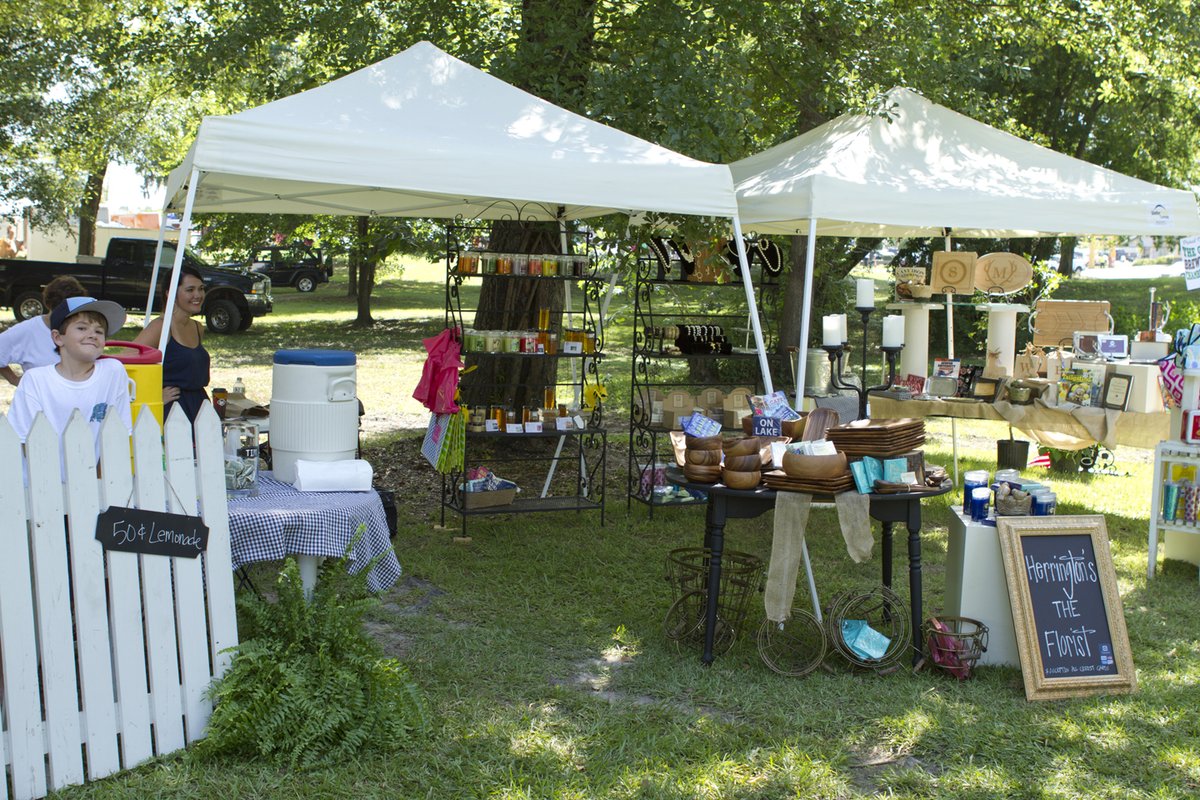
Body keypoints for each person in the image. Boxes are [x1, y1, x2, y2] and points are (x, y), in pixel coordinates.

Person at [7, 297, 133, 463]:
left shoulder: (113, 372)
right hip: (40, 481)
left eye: (99, 331)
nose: (92, 335)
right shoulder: (36, 380)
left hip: (90, 483)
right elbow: (24, 443)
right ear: (58, 337)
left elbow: (118, 436)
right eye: (82, 328)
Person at [134, 264, 210, 422]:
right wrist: (153, 396)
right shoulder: (160, 327)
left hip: (200, 407)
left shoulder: (197, 328)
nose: (198, 295)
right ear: (170, 294)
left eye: (201, 288)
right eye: (190, 290)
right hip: (172, 412)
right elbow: (126, 365)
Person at [0, 275, 87, 386]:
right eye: (59, 310)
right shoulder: (28, 330)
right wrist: (14, 380)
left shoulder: (83, 330)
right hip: (39, 401)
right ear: (49, 304)